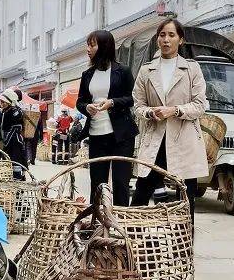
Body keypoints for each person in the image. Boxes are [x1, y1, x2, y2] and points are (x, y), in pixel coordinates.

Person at [130, 18, 210, 219]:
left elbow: (200, 105)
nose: (166, 39)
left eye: (171, 35)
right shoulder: (146, 70)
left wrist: (174, 110)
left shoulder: (192, 69)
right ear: (157, 39)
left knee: (185, 201)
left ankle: (184, 248)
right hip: (155, 140)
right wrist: (150, 113)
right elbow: (138, 104)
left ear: (180, 40)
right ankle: (130, 243)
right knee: (140, 196)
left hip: (184, 141)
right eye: (162, 35)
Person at [77, 29, 138, 205]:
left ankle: (120, 222)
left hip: (122, 135)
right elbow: (80, 101)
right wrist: (86, 107)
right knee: (97, 183)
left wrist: (112, 102)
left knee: (121, 182)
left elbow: (132, 98)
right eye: (87, 44)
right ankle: (97, 222)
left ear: (104, 46)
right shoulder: (87, 74)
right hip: (96, 134)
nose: (88, 48)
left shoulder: (123, 71)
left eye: (92, 44)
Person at [0, 88, 27, 179]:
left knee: (16, 161)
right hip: (9, 141)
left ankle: (17, 180)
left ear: (10, 102)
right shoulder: (5, 111)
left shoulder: (16, 111)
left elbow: (16, 124)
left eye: (4, 102)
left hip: (15, 141)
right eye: (1, 102)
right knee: (10, 161)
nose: (2, 104)